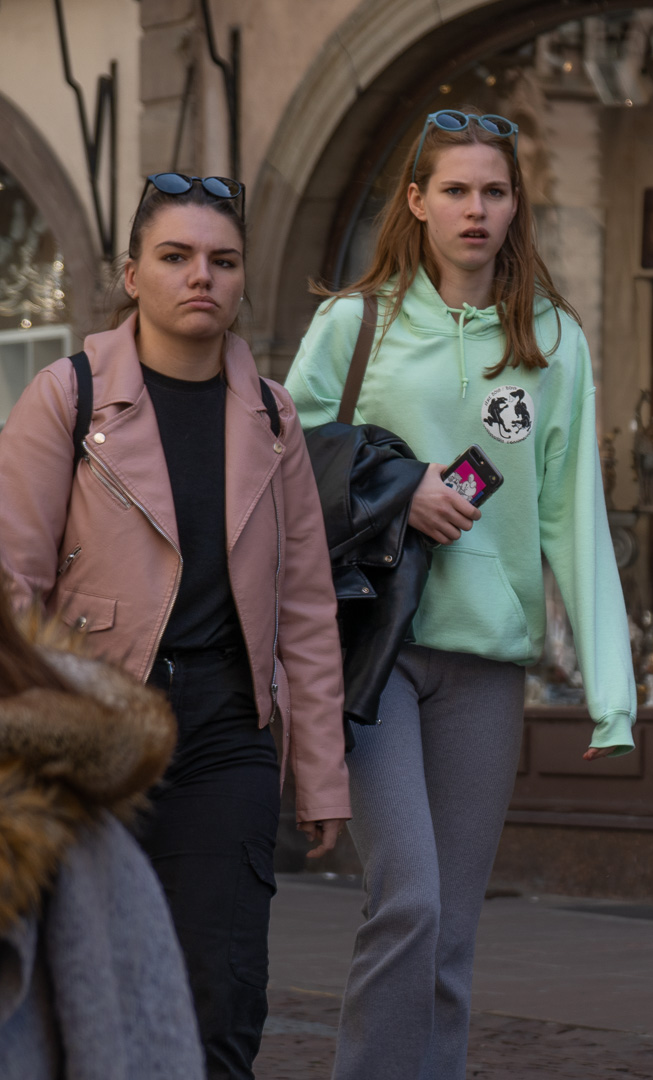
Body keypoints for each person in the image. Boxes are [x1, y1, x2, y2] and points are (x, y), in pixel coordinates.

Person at [286, 107, 636, 1079]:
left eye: (493, 190)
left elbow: (573, 513)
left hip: (487, 664)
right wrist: (407, 489)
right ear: (416, 202)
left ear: (516, 205)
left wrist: (611, 689)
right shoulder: (354, 325)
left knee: (451, 928)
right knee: (409, 900)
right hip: (375, 653)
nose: (475, 209)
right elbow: (284, 468)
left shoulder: (553, 341)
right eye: (454, 190)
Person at [0, 174, 351, 1080]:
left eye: (223, 261)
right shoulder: (65, 394)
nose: (203, 276)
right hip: (95, 732)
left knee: (224, 995)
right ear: (131, 275)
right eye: (176, 256)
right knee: (87, 980)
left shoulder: (274, 414)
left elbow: (306, 604)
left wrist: (321, 772)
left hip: (230, 733)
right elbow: (13, 581)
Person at [0, 575, 205, 1080]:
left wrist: (322, 775)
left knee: (226, 982)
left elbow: (299, 598)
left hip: (227, 711)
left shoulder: (73, 836)